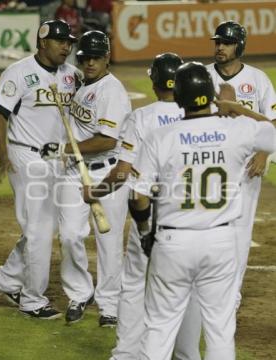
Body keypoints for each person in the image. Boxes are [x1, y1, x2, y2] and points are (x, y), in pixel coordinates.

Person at [128, 62, 276, 360]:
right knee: (220, 330)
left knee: (159, 328)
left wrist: (145, 231)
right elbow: (272, 128)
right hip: (221, 243)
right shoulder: (237, 129)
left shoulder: (161, 137)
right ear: (210, 96)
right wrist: (236, 108)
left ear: (178, 96)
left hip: (173, 243)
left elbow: (138, 196)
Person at [84, 53, 202, 360]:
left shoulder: (143, 118)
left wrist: (95, 191)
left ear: (154, 82)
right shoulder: (199, 114)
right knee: (189, 286)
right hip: (194, 215)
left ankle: (126, 353)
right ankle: (187, 354)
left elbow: (122, 173)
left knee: (135, 282)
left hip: (152, 215)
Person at [0, 19, 78, 319]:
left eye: (68, 41)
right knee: (39, 229)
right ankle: (33, 300)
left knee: (44, 226)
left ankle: (7, 278)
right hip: (25, 157)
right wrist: (3, 155)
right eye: (60, 41)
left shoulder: (71, 76)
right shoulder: (19, 72)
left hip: (58, 160)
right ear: (42, 42)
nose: (66, 46)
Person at [41, 30, 131, 327]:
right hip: (73, 173)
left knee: (109, 242)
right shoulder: (83, 84)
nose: (90, 62)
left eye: (96, 57)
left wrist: (65, 148)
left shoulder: (112, 91)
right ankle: (79, 293)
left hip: (107, 172)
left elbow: (107, 140)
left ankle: (109, 305)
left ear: (107, 57)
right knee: (69, 235)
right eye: (85, 57)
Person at [207, 20, 276, 307]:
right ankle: (207, 290)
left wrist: (264, 152)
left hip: (248, 166)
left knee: (240, 231)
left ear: (240, 46)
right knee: (208, 228)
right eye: (218, 42)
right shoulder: (202, 75)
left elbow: (272, 119)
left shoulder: (258, 79)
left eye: (226, 42)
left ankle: (230, 295)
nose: (220, 47)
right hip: (210, 163)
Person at [55, 0, 83, 64]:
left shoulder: (75, 11)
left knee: (72, 61)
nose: (73, 1)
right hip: (64, 40)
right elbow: (60, 28)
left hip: (73, 40)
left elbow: (79, 24)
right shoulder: (60, 11)